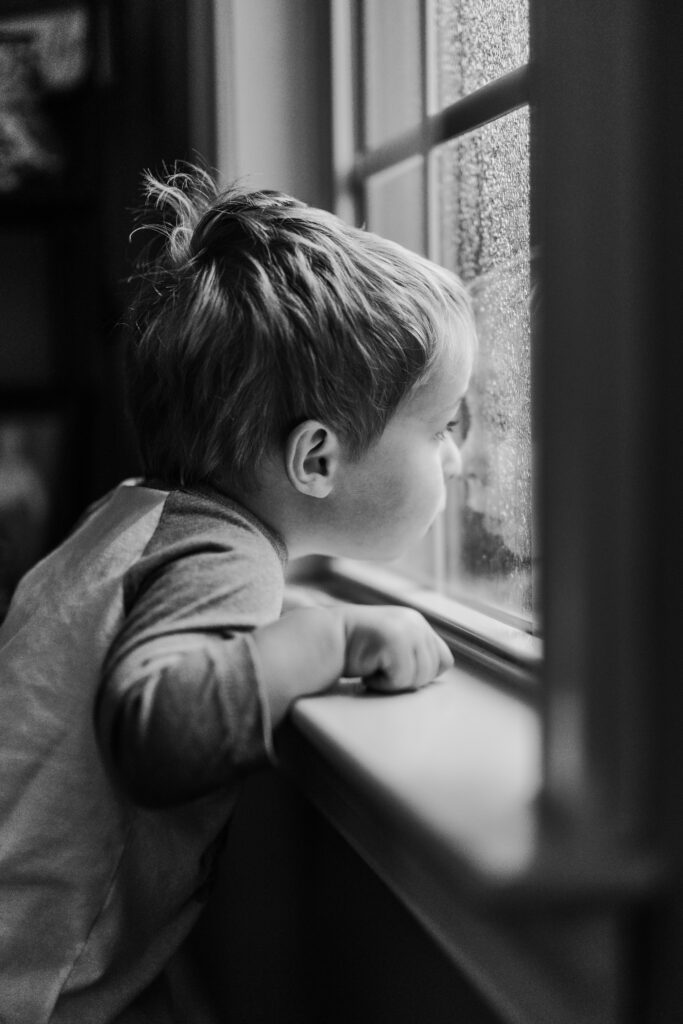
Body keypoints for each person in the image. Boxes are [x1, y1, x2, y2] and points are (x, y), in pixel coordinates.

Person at [0, 166, 475, 1023]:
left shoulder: (138, 514)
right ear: (316, 461)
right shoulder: (223, 555)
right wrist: (326, 641)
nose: (455, 457)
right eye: (440, 426)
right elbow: (157, 731)